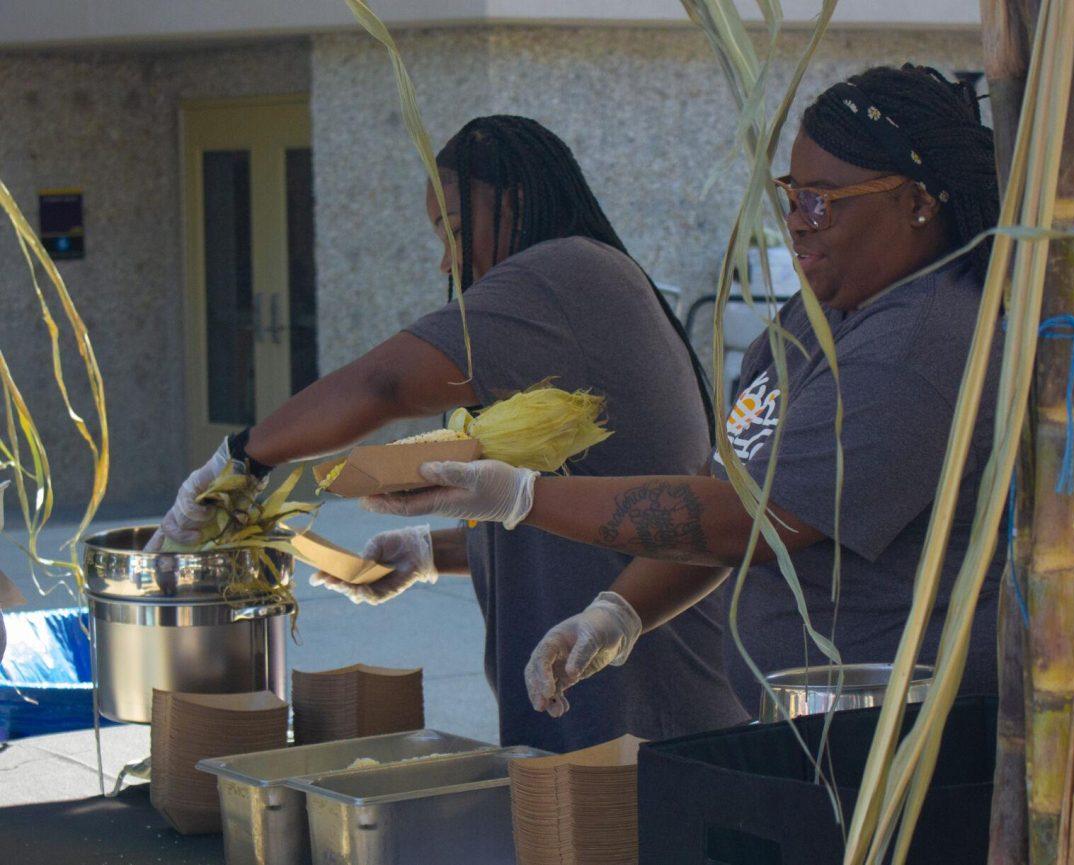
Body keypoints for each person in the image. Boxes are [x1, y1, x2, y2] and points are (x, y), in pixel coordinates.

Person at [369, 66, 1005, 718]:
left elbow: (753, 519)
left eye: (822, 199)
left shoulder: (918, 347)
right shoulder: (818, 318)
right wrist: (619, 613)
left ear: (919, 202)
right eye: (790, 195)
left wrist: (521, 495)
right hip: (809, 722)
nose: (797, 222)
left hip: (900, 735)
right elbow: (726, 492)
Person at [149, 115, 748, 751]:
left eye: (454, 232)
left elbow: (382, 386)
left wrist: (242, 457)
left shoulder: (563, 271)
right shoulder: (584, 283)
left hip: (651, 722)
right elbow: (581, 511)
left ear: (513, 204)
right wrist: (433, 553)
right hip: (591, 714)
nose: (446, 260)